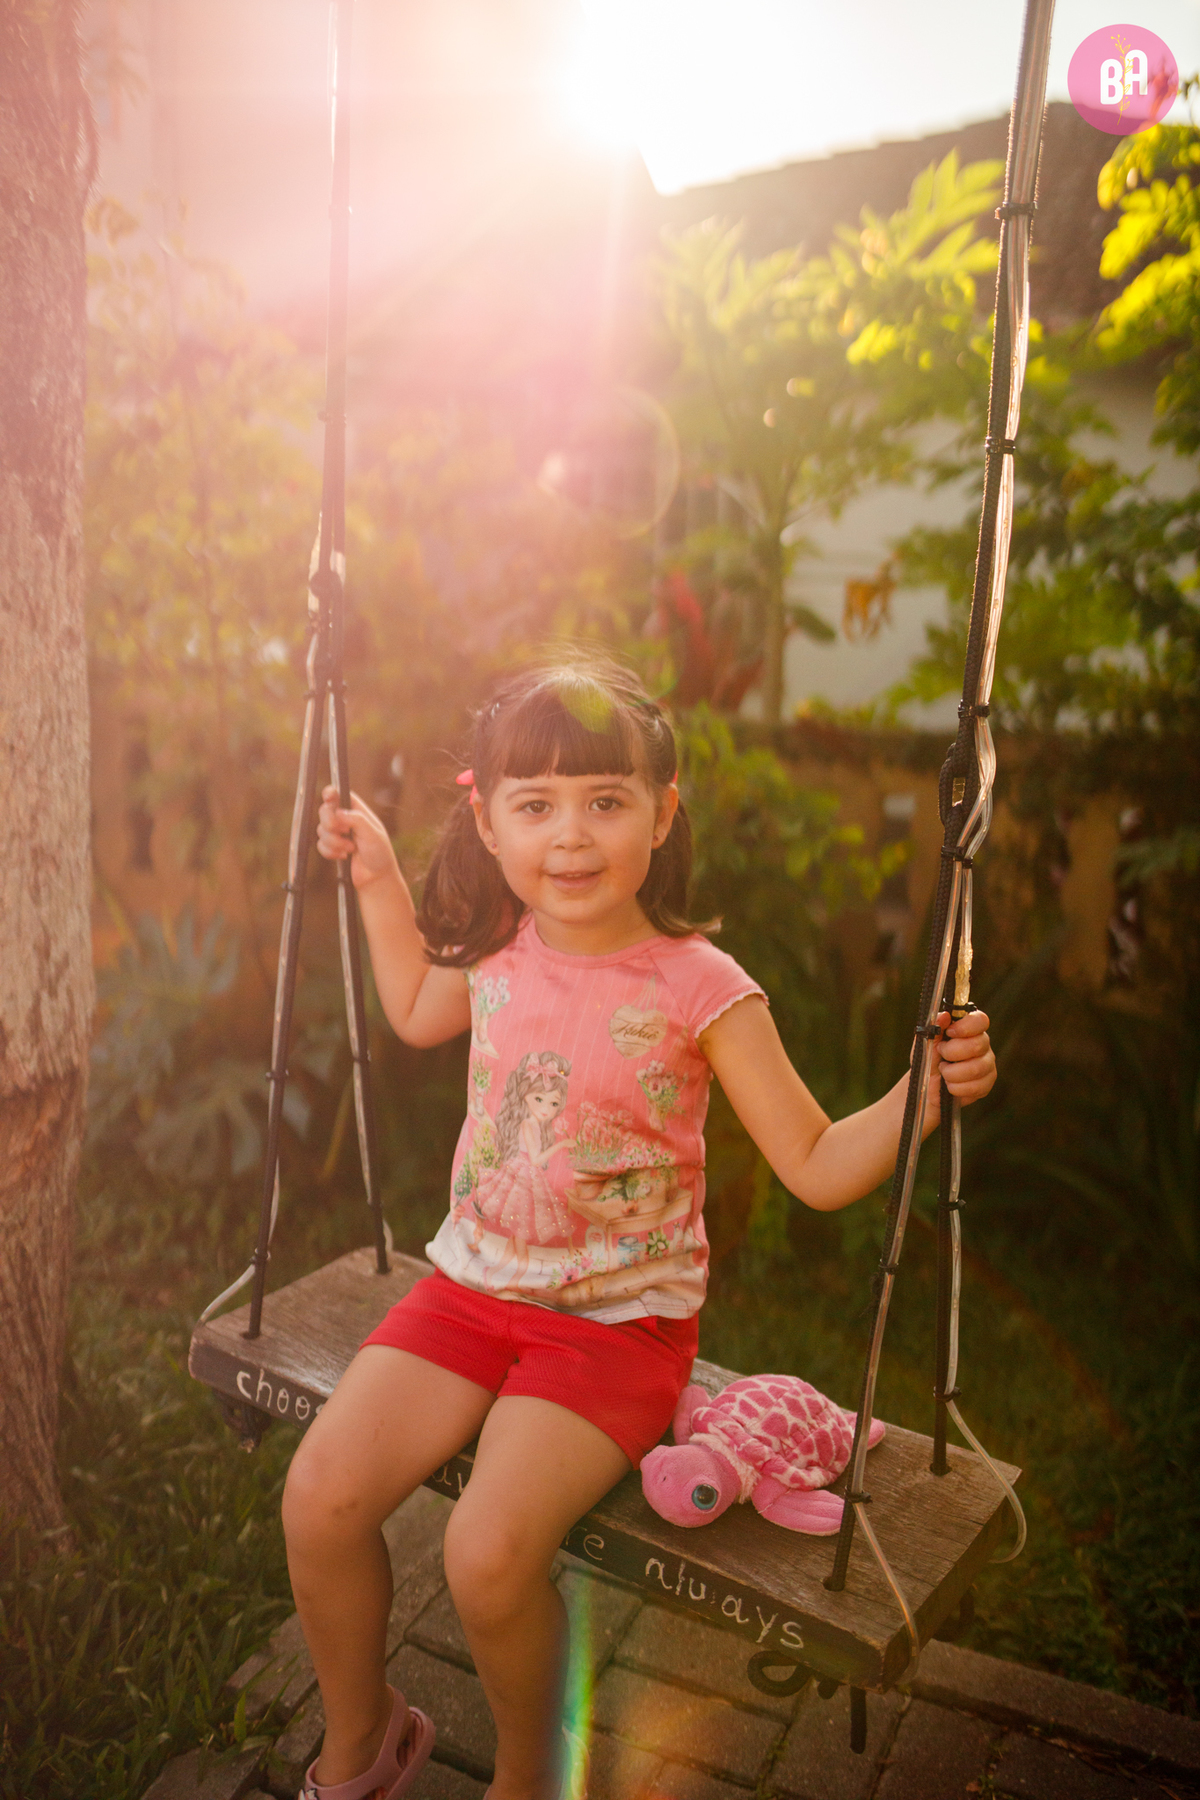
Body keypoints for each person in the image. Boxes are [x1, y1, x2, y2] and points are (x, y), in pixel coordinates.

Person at [284, 658, 997, 1800]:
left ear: (662, 816)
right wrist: (373, 876)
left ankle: (530, 1779)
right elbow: (414, 1006)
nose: (570, 835)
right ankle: (361, 1746)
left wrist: (924, 1093)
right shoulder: (503, 948)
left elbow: (815, 1164)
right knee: (318, 1499)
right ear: (489, 823)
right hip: (468, 1291)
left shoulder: (702, 987)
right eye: (536, 805)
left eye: (605, 801)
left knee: (485, 1554)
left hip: (615, 1329)